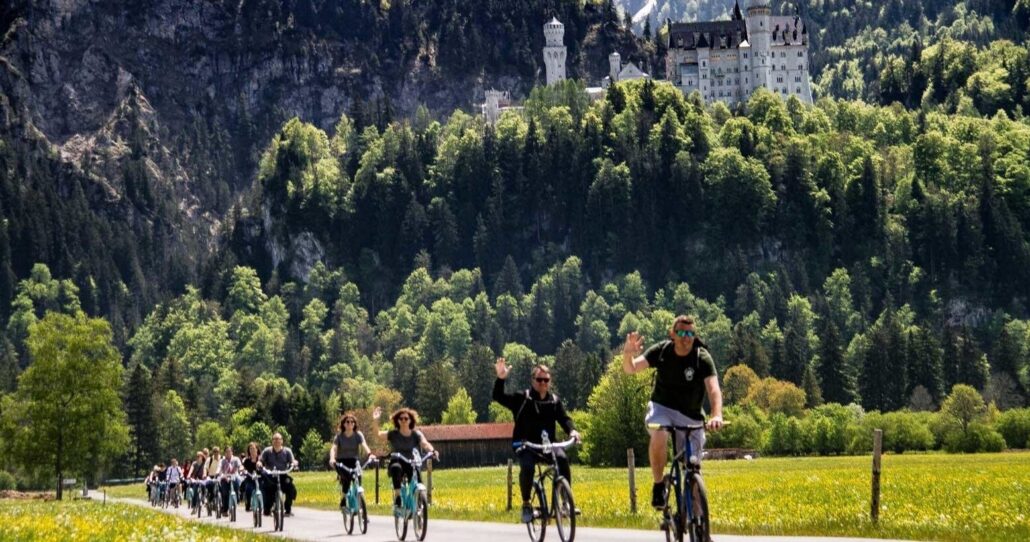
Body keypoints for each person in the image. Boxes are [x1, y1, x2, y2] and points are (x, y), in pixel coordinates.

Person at [622, 314, 724, 509]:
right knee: (659, 433)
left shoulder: (701, 357)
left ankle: (697, 522)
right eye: (682, 333)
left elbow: (714, 390)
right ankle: (659, 485)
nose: (686, 338)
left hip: (691, 416)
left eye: (690, 334)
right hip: (662, 408)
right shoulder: (662, 351)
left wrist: (717, 415)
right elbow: (631, 369)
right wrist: (628, 354)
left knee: (693, 468)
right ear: (672, 334)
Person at [492, 358, 581, 523]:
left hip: (547, 446)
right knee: (527, 466)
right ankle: (526, 504)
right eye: (539, 380)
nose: (543, 383)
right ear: (533, 380)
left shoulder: (554, 401)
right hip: (525, 445)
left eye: (546, 380)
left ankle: (565, 503)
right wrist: (501, 378)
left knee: (562, 459)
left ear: (550, 381)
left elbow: (564, 419)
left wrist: (572, 431)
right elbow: (498, 396)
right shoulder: (522, 398)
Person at [385, 408, 437, 510]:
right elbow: (378, 435)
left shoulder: (416, 434)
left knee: (418, 480)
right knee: (396, 468)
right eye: (401, 418)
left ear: (410, 420)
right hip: (397, 460)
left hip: (410, 461)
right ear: (397, 420)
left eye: (406, 418)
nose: (403, 420)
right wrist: (375, 420)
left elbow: (425, 443)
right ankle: (398, 496)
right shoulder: (393, 434)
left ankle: (419, 502)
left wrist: (433, 451)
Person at [329, 412, 376, 508]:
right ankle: (343, 499)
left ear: (354, 424)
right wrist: (332, 458)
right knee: (346, 479)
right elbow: (333, 448)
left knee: (358, 477)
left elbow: (364, 445)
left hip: (354, 461)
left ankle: (360, 504)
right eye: (347, 422)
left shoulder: (358, 434)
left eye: (352, 422)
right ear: (343, 424)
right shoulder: (339, 436)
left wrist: (370, 454)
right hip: (342, 462)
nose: (350, 423)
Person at [260, 433, 299, 517]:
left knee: (291, 489)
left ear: (282, 441)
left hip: (282, 475)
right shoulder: (267, 451)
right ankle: (268, 508)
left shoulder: (287, 451)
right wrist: (259, 463)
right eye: (275, 439)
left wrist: (294, 463)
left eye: (278, 439)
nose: (276, 441)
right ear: (272, 441)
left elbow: (292, 461)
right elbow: (261, 460)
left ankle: (287, 509)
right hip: (270, 476)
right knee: (267, 491)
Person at [219, 446, 243, 514]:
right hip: (225, 477)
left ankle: (237, 499)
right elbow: (219, 467)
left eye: (229, 451)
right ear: (224, 453)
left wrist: (241, 468)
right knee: (225, 493)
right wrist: (219, 473)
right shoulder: (222, 461)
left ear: (232, 452)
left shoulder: (236, 459)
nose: (228, 453)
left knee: (237, 485)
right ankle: (225, 509)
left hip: (234, 476)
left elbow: (240, 466)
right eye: (226, 452)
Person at [240, 442, 261, 512]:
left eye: (254, 449)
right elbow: (242, 466)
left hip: (260, 478)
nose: (252, 450)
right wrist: (242, 469)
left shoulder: (260, 459)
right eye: (250, 449)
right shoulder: (247, 460)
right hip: (250, 478)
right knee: (248, 488)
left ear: (257, 449)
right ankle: (248, 504)